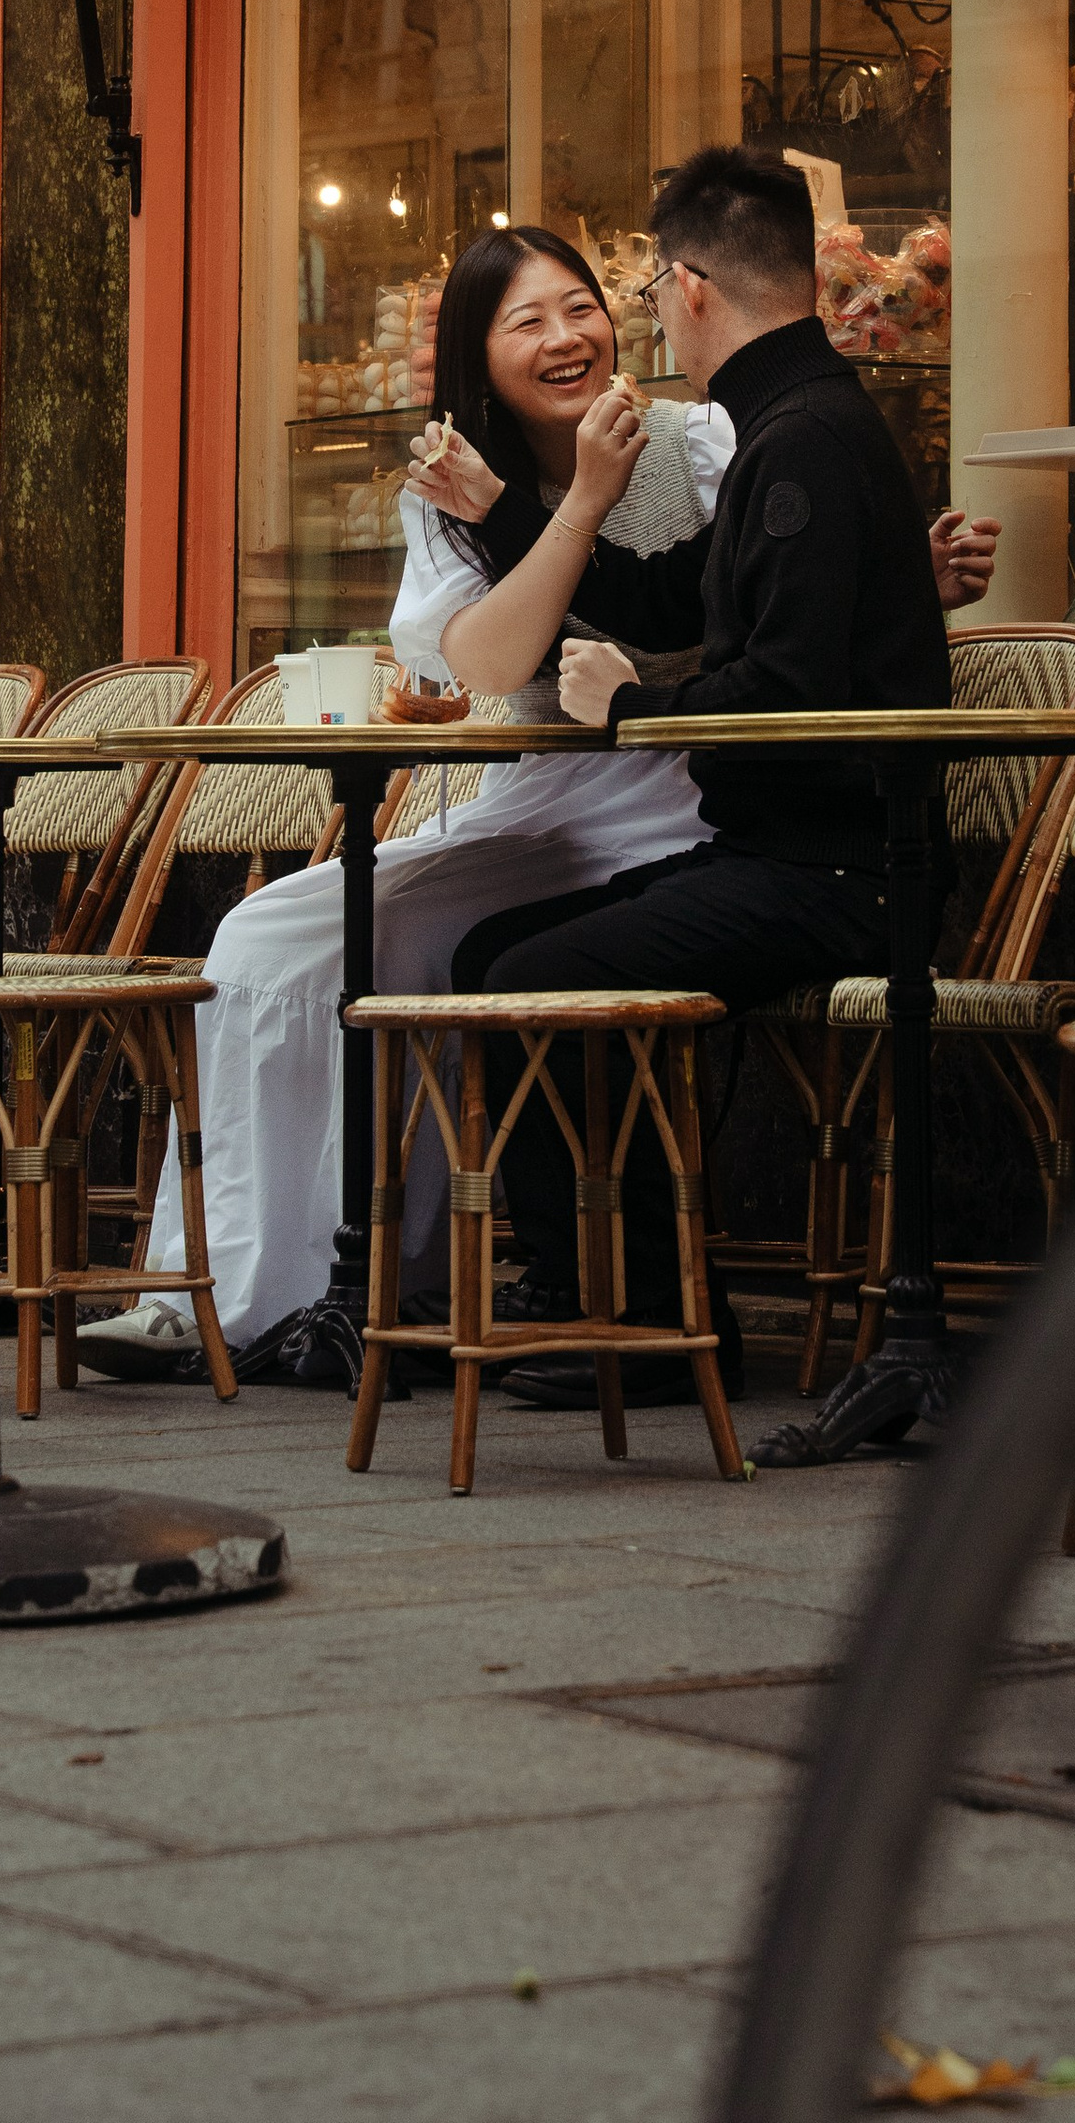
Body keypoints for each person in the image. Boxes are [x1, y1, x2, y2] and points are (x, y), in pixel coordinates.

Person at [80, 224, 722, 1377]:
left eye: (579, 307)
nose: (565, 337)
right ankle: (226, 1290)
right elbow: (487, 665)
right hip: (534, 796)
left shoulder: (696, 441)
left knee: (406, 934)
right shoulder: (446, 484)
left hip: (675, 791)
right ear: (477, 353)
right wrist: (546, 506)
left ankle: (376, 1274)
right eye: (526, 321)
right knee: (268, 935)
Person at [429, 145, 985, 1410]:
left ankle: (649, 1320)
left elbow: (788, 694)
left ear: (685, 286)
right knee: (493, 954)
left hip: (841, 876)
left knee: (531, 973)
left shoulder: (803, 440)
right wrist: (510, 516)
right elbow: (666, 590)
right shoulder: (801, 424)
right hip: (792, 859)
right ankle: (619, 1300)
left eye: (630, 295)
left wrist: (631, 704)